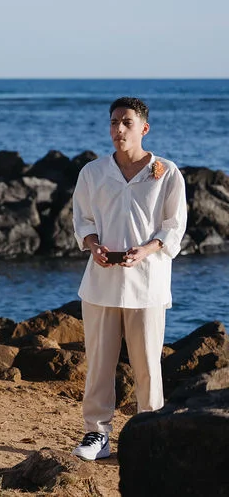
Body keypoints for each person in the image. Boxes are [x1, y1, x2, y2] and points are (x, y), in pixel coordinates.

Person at [70, 96, 187, 461]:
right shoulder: (92, 172)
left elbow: (174, 225)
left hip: (147, 283)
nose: (118, 129)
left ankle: (149, 436)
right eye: (114, 122)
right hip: (100, 282)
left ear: (143, 128)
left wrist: (147, 249)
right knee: (99, 364)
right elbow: (83, 220)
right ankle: (96, 435)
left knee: (148, 365)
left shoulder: (166, 172)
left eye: (127, 122)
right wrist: (92, 245)